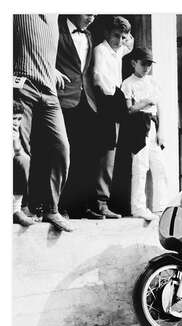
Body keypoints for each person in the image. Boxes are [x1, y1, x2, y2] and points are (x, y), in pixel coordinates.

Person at [13, 14, 72, 231]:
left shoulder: (55, 15)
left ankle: (50, 209)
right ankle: (16, 207)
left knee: (61, 148)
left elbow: (41, 45)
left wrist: (51, 68)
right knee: (20, 151)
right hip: (22, 85)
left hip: (49, 91)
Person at [56, 14, 99, 219]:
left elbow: (86, 70)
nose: (92, 17)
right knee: (63, 154)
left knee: (84, 156)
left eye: (95, 14)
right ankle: (59, 205)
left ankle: (80, 207)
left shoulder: (89, 35)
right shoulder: (57, 28)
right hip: (63, 97)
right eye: (88, 12)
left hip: (86, 101)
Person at [91, 15, 134, 219]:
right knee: (105, 154)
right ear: (107, 33)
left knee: (114, 153)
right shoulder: (101, 49)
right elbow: (98, 77)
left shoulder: (120, 50)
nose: (119, 40)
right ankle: (98, 202)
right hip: (106, 101)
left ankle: (103, 201)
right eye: (116, 35)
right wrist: (113, 95)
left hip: (115, 102)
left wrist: (126, 34)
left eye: (122, 37)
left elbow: (131, 44)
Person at [121, 47, 167, 221]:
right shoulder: (127, 83)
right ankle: (138, 208)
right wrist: (146, 101)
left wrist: (161, 130)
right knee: (140, 168)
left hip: (153, 126)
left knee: (159, 167)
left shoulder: (153, 82)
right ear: (134, 63)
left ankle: (160, 207)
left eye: (149, 64)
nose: (147, 68)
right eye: (143, 64)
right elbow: (129, 109)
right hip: (137, 127)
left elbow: (159, 106)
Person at [13, 100, 34, 226]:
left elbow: (18, 152)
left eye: (19, 119)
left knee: (24, 160)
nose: (16, 122)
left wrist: (15, 139)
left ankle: (16, 210)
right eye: (13, 118)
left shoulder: (14, 132)